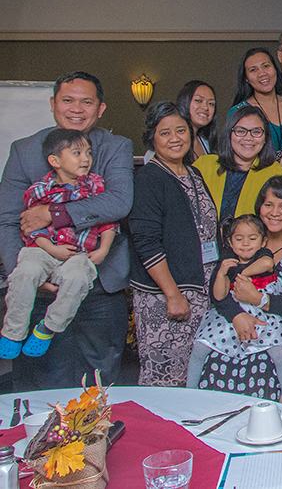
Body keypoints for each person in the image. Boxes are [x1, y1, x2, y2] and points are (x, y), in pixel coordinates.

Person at [0, 72, 132, 390]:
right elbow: (6, 220)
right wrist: (26, 272)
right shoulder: (24, 149)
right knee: (39, 380)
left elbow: (118, 202)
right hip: (40, 285)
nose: (76, 108)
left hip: (100, 284)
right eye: (67, 100)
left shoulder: (116, 147)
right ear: (53, 104)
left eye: (86, 102)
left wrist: (52, 213)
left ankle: (96, 442)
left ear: (100, 109)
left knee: (99, 383)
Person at [192, 177, 282, 401]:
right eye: (268, 204)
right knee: (213, 358)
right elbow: (218, 288)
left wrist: (259, 299)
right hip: (232, 322)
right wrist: (238, 316)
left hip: (280, 325)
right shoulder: (243, 236)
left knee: (262, 364)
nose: (274, 212)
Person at [0, 129, 117, 358]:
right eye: (77, 153)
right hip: (42, 249)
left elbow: (107, 221)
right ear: (54, 161)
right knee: (25, 273)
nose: (86, 159)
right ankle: (13, 332)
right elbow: (31, 227)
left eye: (88, 153)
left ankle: (48, 328)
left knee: (79, 278)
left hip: (77, 254)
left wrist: (103, 249)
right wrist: (51, 249)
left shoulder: (95, 186)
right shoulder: (39, 190)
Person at [129, 102, 218, 387]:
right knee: (166, 379)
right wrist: (172, 294)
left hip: (199, 293)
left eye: (181, 130)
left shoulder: (193, 173)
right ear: (152, 138)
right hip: (166, 298)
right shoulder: (149, 179)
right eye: (165, 133)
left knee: (194, 377)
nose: (175, 138)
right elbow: (146, 242)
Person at [193, 105, 282, 222]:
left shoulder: (274, 172)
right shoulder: (204, 165)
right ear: (229, 134)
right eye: (241, 131)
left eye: (256, 132)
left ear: (265, 137)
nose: (248, 138)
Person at [229, 47, 282, 151]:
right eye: (253, 70)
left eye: (266, 66)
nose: (262, 73)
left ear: (275, 69)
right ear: (247, 79)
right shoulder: (238, 112)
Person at [176, 80, 218, 160]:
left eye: (211, 104)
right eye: (198, 101)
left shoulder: (206, 143)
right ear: (185, 102)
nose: (205, 107)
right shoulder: (171, 141)